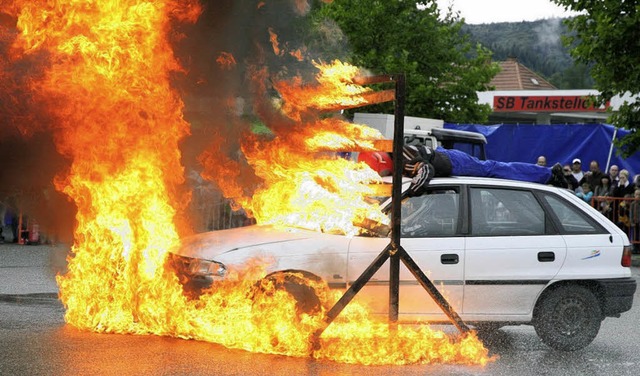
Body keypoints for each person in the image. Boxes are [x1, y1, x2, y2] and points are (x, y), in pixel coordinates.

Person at [400, 145, 567, 196]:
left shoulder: (403, 160)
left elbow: (426, 170)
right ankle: (547, 173)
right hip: (445, 156)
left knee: (495, 169)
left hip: (455, 162)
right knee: (494, 168)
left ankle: (549, 173)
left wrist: (407, 194)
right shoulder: (397, 151)